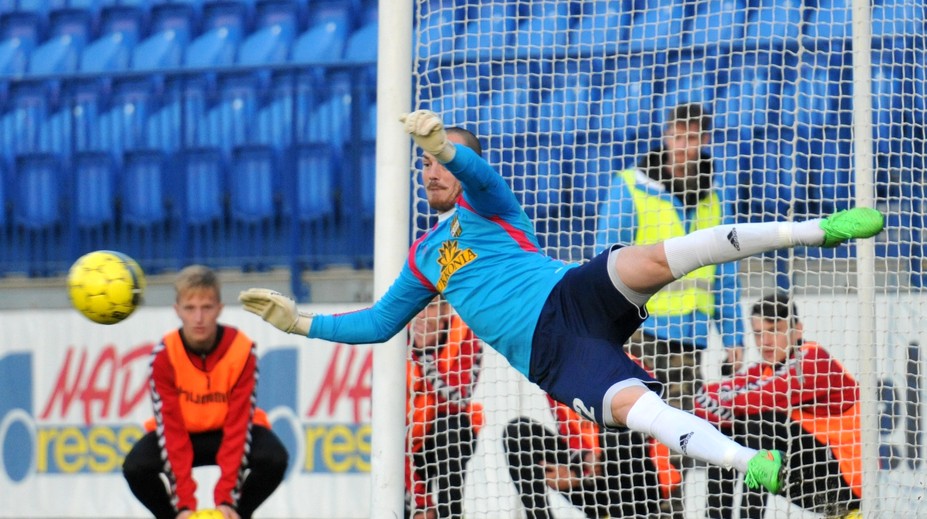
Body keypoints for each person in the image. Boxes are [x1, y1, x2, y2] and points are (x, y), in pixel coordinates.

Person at [239, 109, 884, 504]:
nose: (429, 171)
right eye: (424, 164)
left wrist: (446, 147)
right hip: (555, 355)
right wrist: (301, 322)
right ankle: (752, 464)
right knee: (640, 411)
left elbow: (481, 177)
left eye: (438, 162)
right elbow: (379, 323)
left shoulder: (489, 207)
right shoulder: (423, 256)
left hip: (570, 292)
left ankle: (817, 229)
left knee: (661, 256)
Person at [594, 102, 746, 516]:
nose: (684, 145)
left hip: (688, 341)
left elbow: (725, 273)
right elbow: (605, 259)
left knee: (677, 440)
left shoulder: (716, 197)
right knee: (631, 433)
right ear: (666, 137)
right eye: (678, 136)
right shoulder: (630, 187)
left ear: (704, 140)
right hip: (638, 332)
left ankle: (668, 512)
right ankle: (633, 511)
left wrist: (733, 337)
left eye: (692, 137)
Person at [123, 265, 289, 519]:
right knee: (136, 467)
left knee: (274, 457)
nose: (198, 317)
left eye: (207, 307)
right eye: (190, 308)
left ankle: (236, 515)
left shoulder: (242, 350)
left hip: (228, 432)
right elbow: (171, 430)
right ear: (177, 310)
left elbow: (238, 425)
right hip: (182, 434)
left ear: (219, 309)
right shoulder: (164, 356)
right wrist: (184, 505)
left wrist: (227, 499)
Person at [694, 291, 862, 518]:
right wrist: (730, 405)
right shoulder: (764, 371)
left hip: (846, 484)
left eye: (774, 330)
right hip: (806, 481)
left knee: (761, 421)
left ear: (798, 330)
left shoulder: (814, 360)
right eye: (758, 333)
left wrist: (728, 402)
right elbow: (702, 398)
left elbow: (764, 397)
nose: (765, 342)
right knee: (725, 431)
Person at [503, 367, 673, 519]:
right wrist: (581, 466)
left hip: (644, 484)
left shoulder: (628, 366)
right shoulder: (557, 378)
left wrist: (599, 460)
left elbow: (647, 435)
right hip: (591, 480)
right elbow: (572, 439)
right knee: (518, 432)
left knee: (615, 433)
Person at [405, 296, 483, 519]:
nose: (422, 315)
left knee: (448, 430)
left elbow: (460, 399)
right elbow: (388, 418)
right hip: (411, 436)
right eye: (418, 307)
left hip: (451, 429)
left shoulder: (465, 335)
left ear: (445, 310)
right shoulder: (397, 337)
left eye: (430, 307)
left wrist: (425, 355)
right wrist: (422, 505)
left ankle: (451, 514)